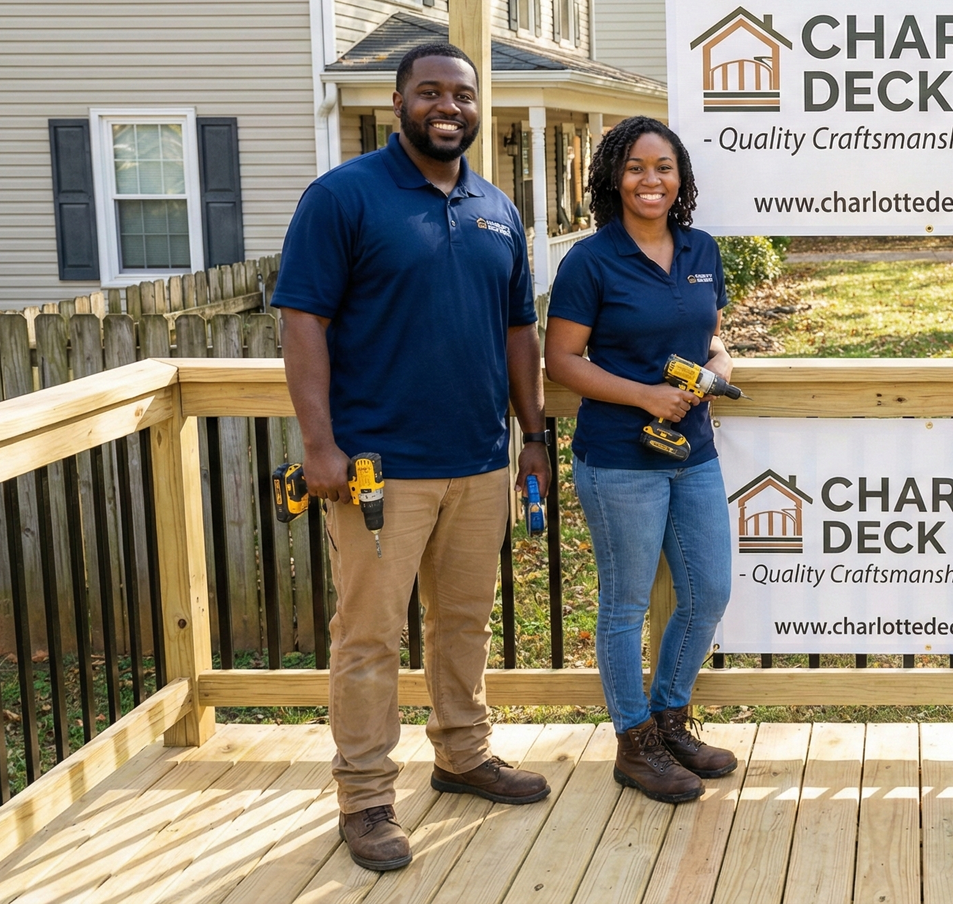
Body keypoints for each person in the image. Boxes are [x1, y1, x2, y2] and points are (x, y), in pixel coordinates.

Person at [274, 43, 553, 872]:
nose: (448, 105)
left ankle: (463, 753)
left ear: (477, 107)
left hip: (477, 460)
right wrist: (319, 445)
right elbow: (302, 322)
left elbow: (518, 333)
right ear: (396, 101)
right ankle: (364, 796)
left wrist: (533, 436)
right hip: (377, 471)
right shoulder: (343, 197)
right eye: (430, 91)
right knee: (369, 636)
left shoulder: (496, 206)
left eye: (462, 94)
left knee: (462, 621)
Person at [544, 116, 737, 804]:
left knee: (709, 587)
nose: (650, 179)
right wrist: (647, 396)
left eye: (663, 167)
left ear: (680, 177)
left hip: (696, 452)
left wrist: (717, 362)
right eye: (635, 167)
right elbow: (560, 360)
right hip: (620, 457)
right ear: (612, 178)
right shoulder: (590, 261)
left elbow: (711, 333)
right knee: (625, 603)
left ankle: (670, 716)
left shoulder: (702, 249)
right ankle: (635, 741)